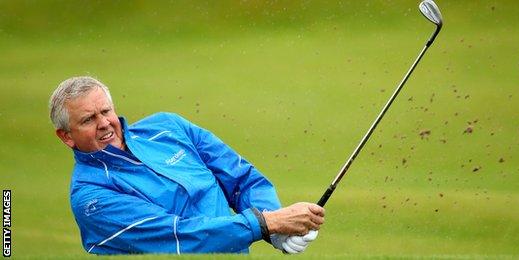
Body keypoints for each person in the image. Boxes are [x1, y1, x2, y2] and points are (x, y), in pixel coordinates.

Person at [48, 76, 325, 255]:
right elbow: (181, 235)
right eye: (88, 120)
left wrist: (274, 224)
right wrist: (267, 223)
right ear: (66, 136)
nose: (104, 123)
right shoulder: (91, 198)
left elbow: (240, 178)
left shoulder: (168, 127)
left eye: (106, 111)